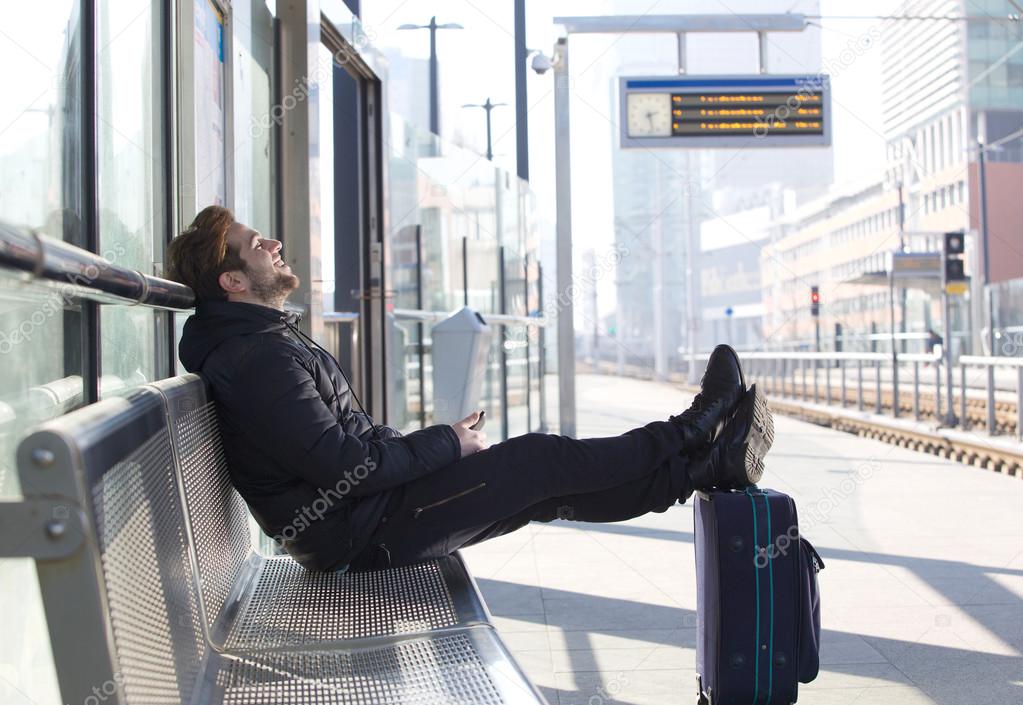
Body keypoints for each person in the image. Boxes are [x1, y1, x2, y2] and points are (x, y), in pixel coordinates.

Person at [166, 206, 775, 572]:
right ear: (234, 281)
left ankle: (700, 468)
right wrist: (447, 445)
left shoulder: (264, 343)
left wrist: (427, 449)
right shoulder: (258, 359)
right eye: (256, 246)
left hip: (362, 522)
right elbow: (343, 464)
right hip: (362, 534)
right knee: (541, 459)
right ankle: (691, 433)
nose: (272, 244)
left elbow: (345, 446)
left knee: (541, 493)